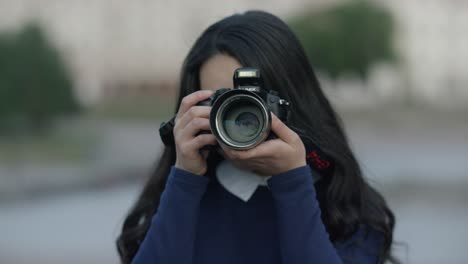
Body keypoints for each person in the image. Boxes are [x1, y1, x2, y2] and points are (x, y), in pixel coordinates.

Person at [116, 10, 397, 264]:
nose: (237, 115)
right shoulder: (179, 195)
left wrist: (293, 183)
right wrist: (185, 179)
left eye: (252, 100)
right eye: (221, 100)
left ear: (291, 102)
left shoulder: (343, 203)